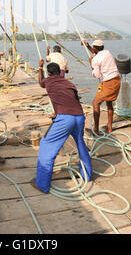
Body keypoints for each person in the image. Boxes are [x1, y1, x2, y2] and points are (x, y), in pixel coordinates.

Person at [31, 59, 92, 193]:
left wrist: (40, 67)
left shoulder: (48, 81)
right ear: (60, 73)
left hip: (65, 118)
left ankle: (42, 184)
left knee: (47, 146)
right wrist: (57, 112)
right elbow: (73, 99)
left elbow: (41, 83)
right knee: (81, 144)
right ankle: (87, 176)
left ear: (49, 73)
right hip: (79, 116)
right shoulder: (69, 83)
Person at [84, 39, 121, 134]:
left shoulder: (95, 59)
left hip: (109, 83)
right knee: (109, 104)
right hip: (116, 80)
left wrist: (91, 62)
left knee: (95, 103)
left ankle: (96, 130)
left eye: (93, 47)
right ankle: (109, 128)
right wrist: (88, 47)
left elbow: (97, 75)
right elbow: (97, 53)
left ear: (95, 48)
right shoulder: (107, 52)